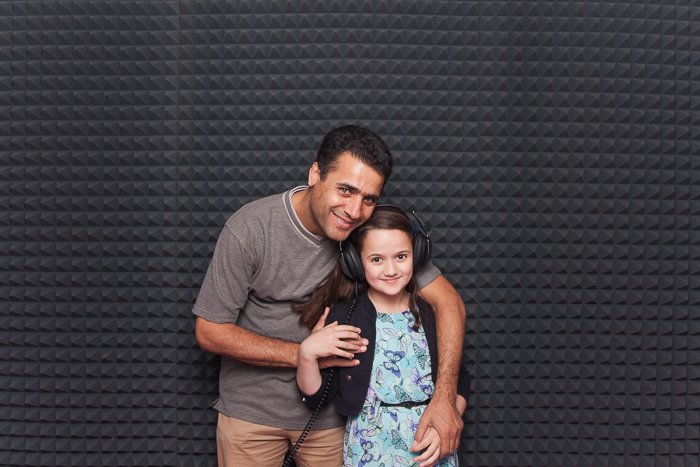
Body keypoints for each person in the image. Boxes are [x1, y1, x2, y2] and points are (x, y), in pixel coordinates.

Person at [193, 125, 467, 466]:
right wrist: (304, 354)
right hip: (252, 416)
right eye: (345, 190)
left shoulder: (368, 233)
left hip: (336, 421)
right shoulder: (250, 228)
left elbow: (450, 303)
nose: (354, 210)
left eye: (369, 198)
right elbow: (210, 331)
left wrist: (444, 399)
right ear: (315, 174)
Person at [295, 205, 469, 467]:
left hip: (430, 442)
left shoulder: (432, 314)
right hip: (369, 447)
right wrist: (307, 354)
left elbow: (459, 376)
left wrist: (447, 420)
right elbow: (317, 397)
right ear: (356, 263)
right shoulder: (346, 315)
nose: (391, 270)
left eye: (401, 256)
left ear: (416, 255)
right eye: (377, 259)